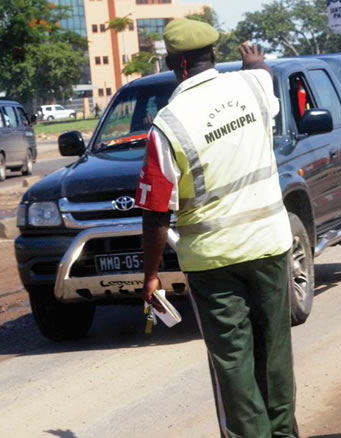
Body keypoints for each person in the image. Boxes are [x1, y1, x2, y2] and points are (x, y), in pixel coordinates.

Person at [134, 18, 298, 438]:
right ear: (212, 57)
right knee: (274, 354)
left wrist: (151, 275)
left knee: (233, 366)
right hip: (270, 246)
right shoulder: (252, 86)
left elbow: (156, 212)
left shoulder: (168, 125)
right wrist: (256, 62)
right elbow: (264, 75)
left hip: (212, 264)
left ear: (177, 66)